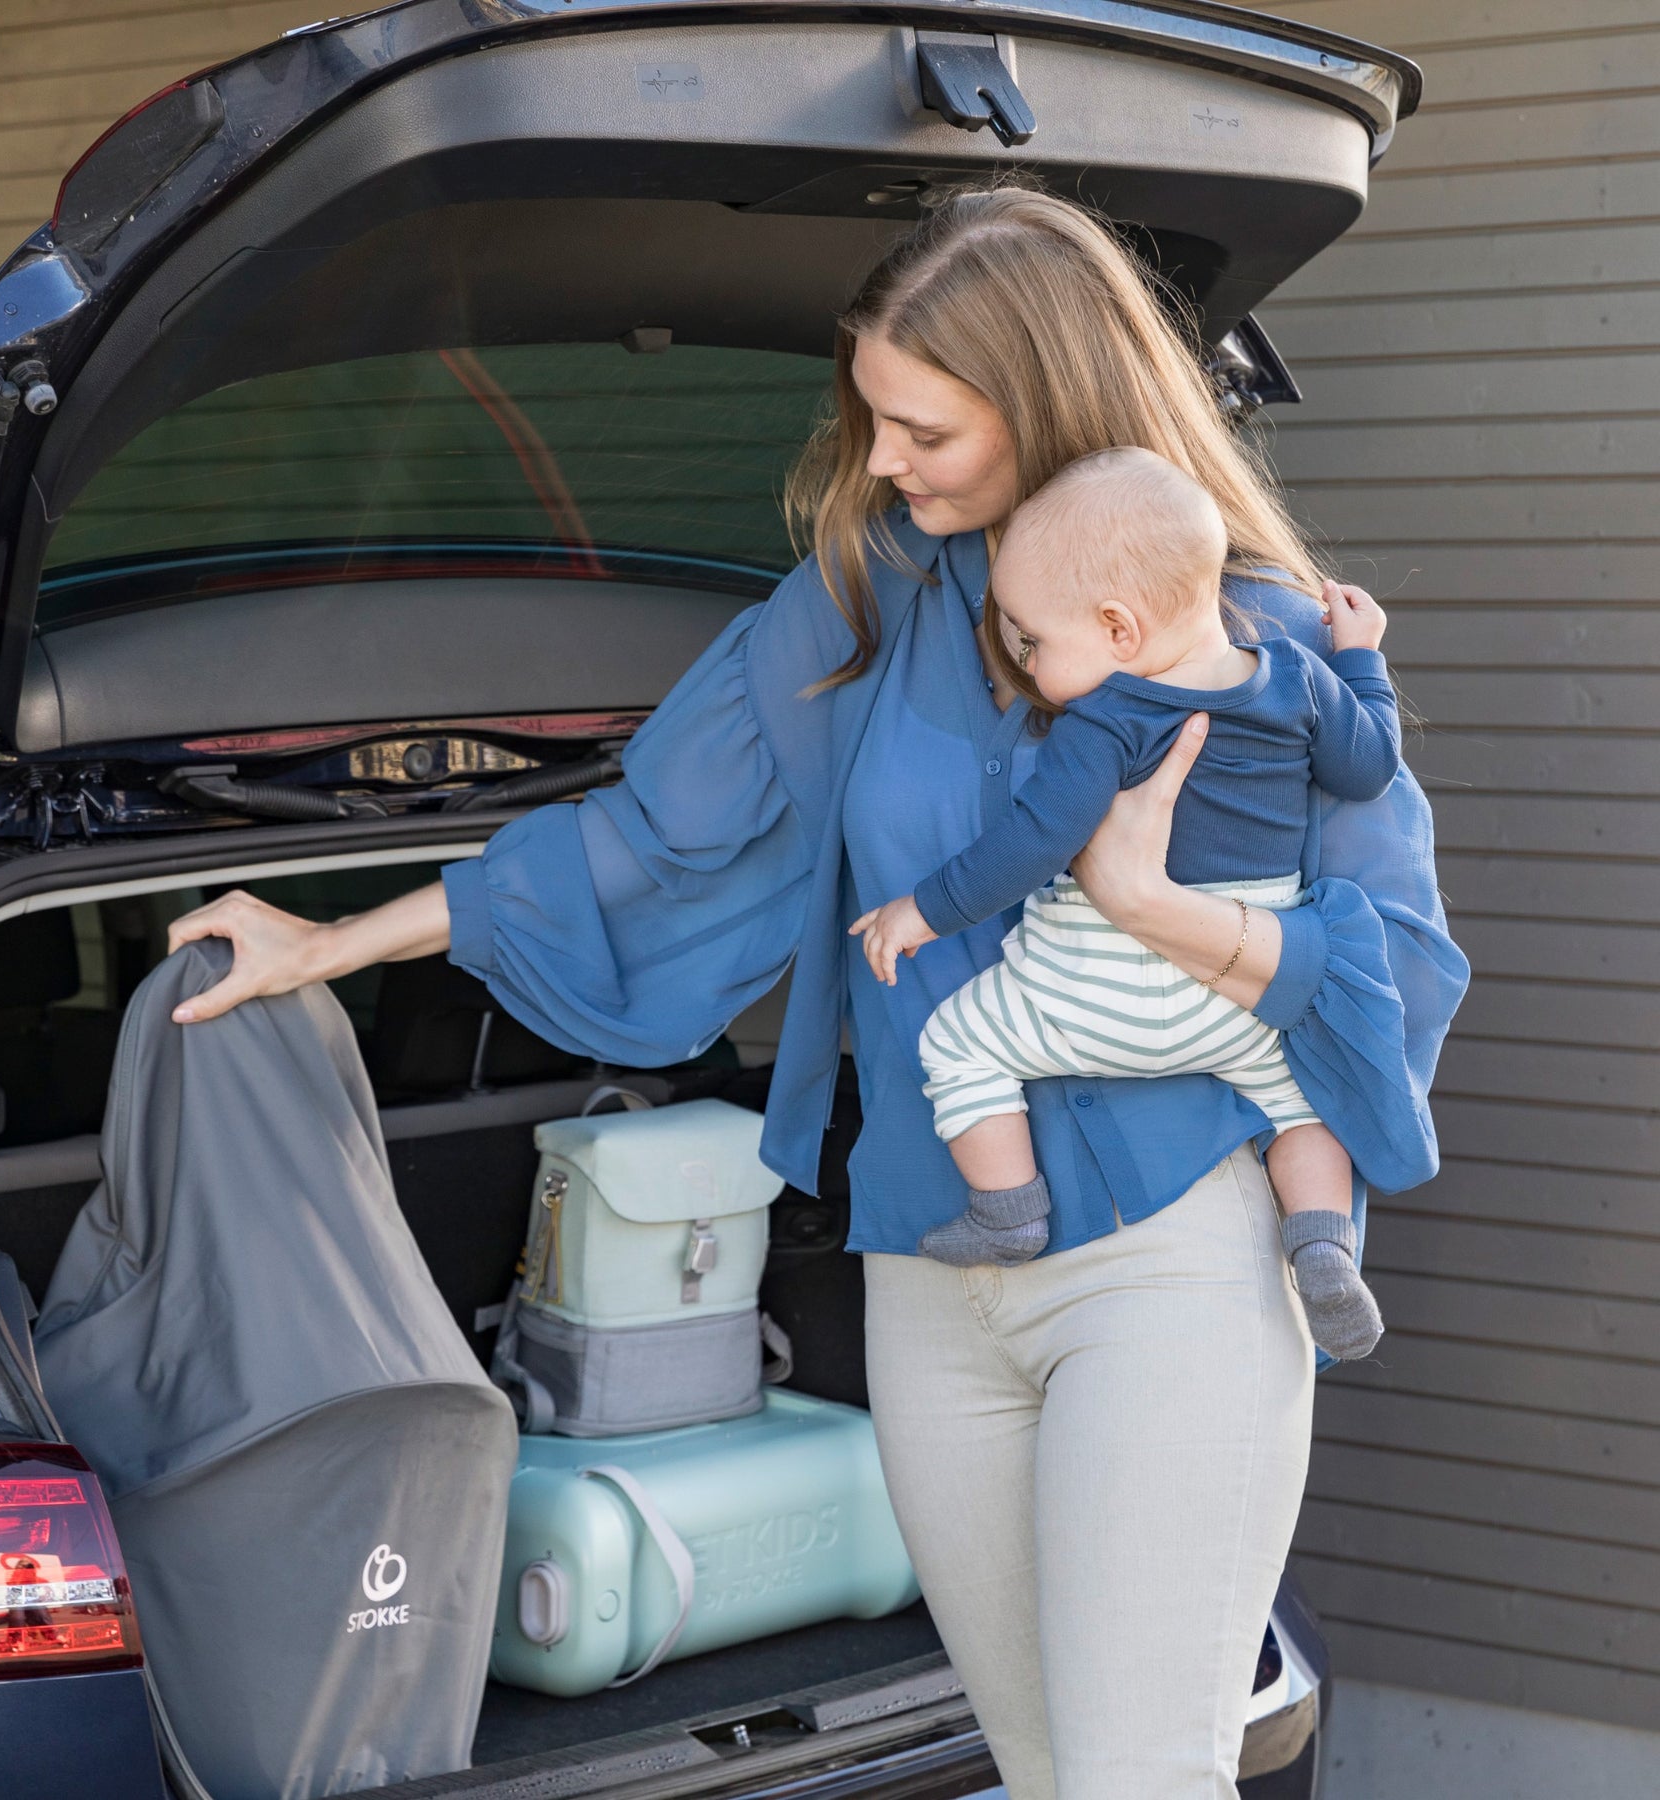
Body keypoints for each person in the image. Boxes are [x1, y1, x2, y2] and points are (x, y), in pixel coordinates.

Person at [165, 187, 1468, 1800]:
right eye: (869, 421)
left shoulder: (1250, 651)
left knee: (1141, 1779)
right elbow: (649, 842)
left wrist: (1151, 908)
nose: (879, 465)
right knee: (1051, 1772)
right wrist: (328, 941)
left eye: (920, 426)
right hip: (935, 1266)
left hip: (1168, 1266)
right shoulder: (866, 604)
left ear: (1047, 399)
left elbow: (1393, 967)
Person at [850, 447, 1398, 1363]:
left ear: (1117, 628)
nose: (1024, 660)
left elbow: (1030, 845)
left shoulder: (1105, 720)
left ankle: (1008, 1212)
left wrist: (923, 910)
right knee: (1304, 1108)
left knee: (958, 1044)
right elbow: (1370, 766)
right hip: (1235, 998)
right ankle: (1321, 1246)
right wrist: (1362, 661)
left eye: (1033, 640)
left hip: (1089, 989)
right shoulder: (1300, 681)